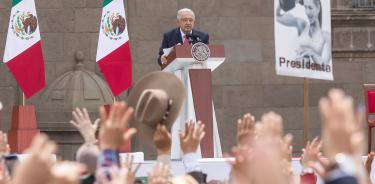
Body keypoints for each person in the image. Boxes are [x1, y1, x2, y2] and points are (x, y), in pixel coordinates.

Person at [276, 0, 331, 65]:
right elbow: (276, 16)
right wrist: (294, 1)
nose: (307, 12)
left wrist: (312, 53)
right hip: (295, 71)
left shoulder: (326, 36)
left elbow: (325, 65)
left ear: (318, 8)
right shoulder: (302, 25)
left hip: (311, 73)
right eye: (305, 7)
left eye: (310, 8)